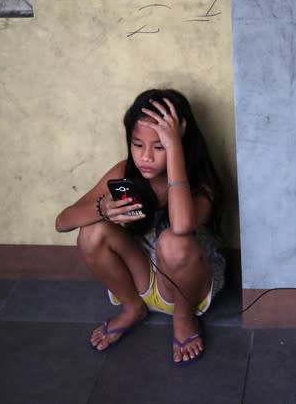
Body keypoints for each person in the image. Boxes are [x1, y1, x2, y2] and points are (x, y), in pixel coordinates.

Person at [55, 88, 225, 366]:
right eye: (137, 144)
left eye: (158, 147)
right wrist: (103, 209)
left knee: (174, 240)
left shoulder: (200, 183)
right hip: (141, 279)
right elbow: (62, 222)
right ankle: (132, 308)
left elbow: (182, 226)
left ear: (181, 144)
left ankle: (184, 319)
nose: (145, 157)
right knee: (91, 231)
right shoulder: (125, 172)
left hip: (187, 291)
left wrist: (174, 152)